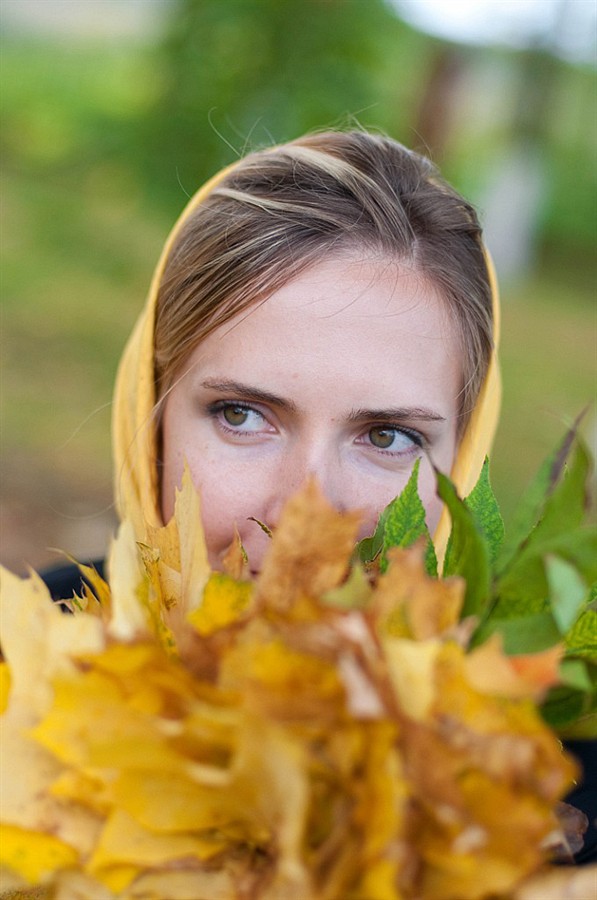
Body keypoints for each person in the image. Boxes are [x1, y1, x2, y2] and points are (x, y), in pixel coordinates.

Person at [40, 129, 594, 863]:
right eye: (242, 415)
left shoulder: (546, 798)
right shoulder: (23, 676)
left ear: (461, 458)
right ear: (153, 418)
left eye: (387, 436)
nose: (306, 516)